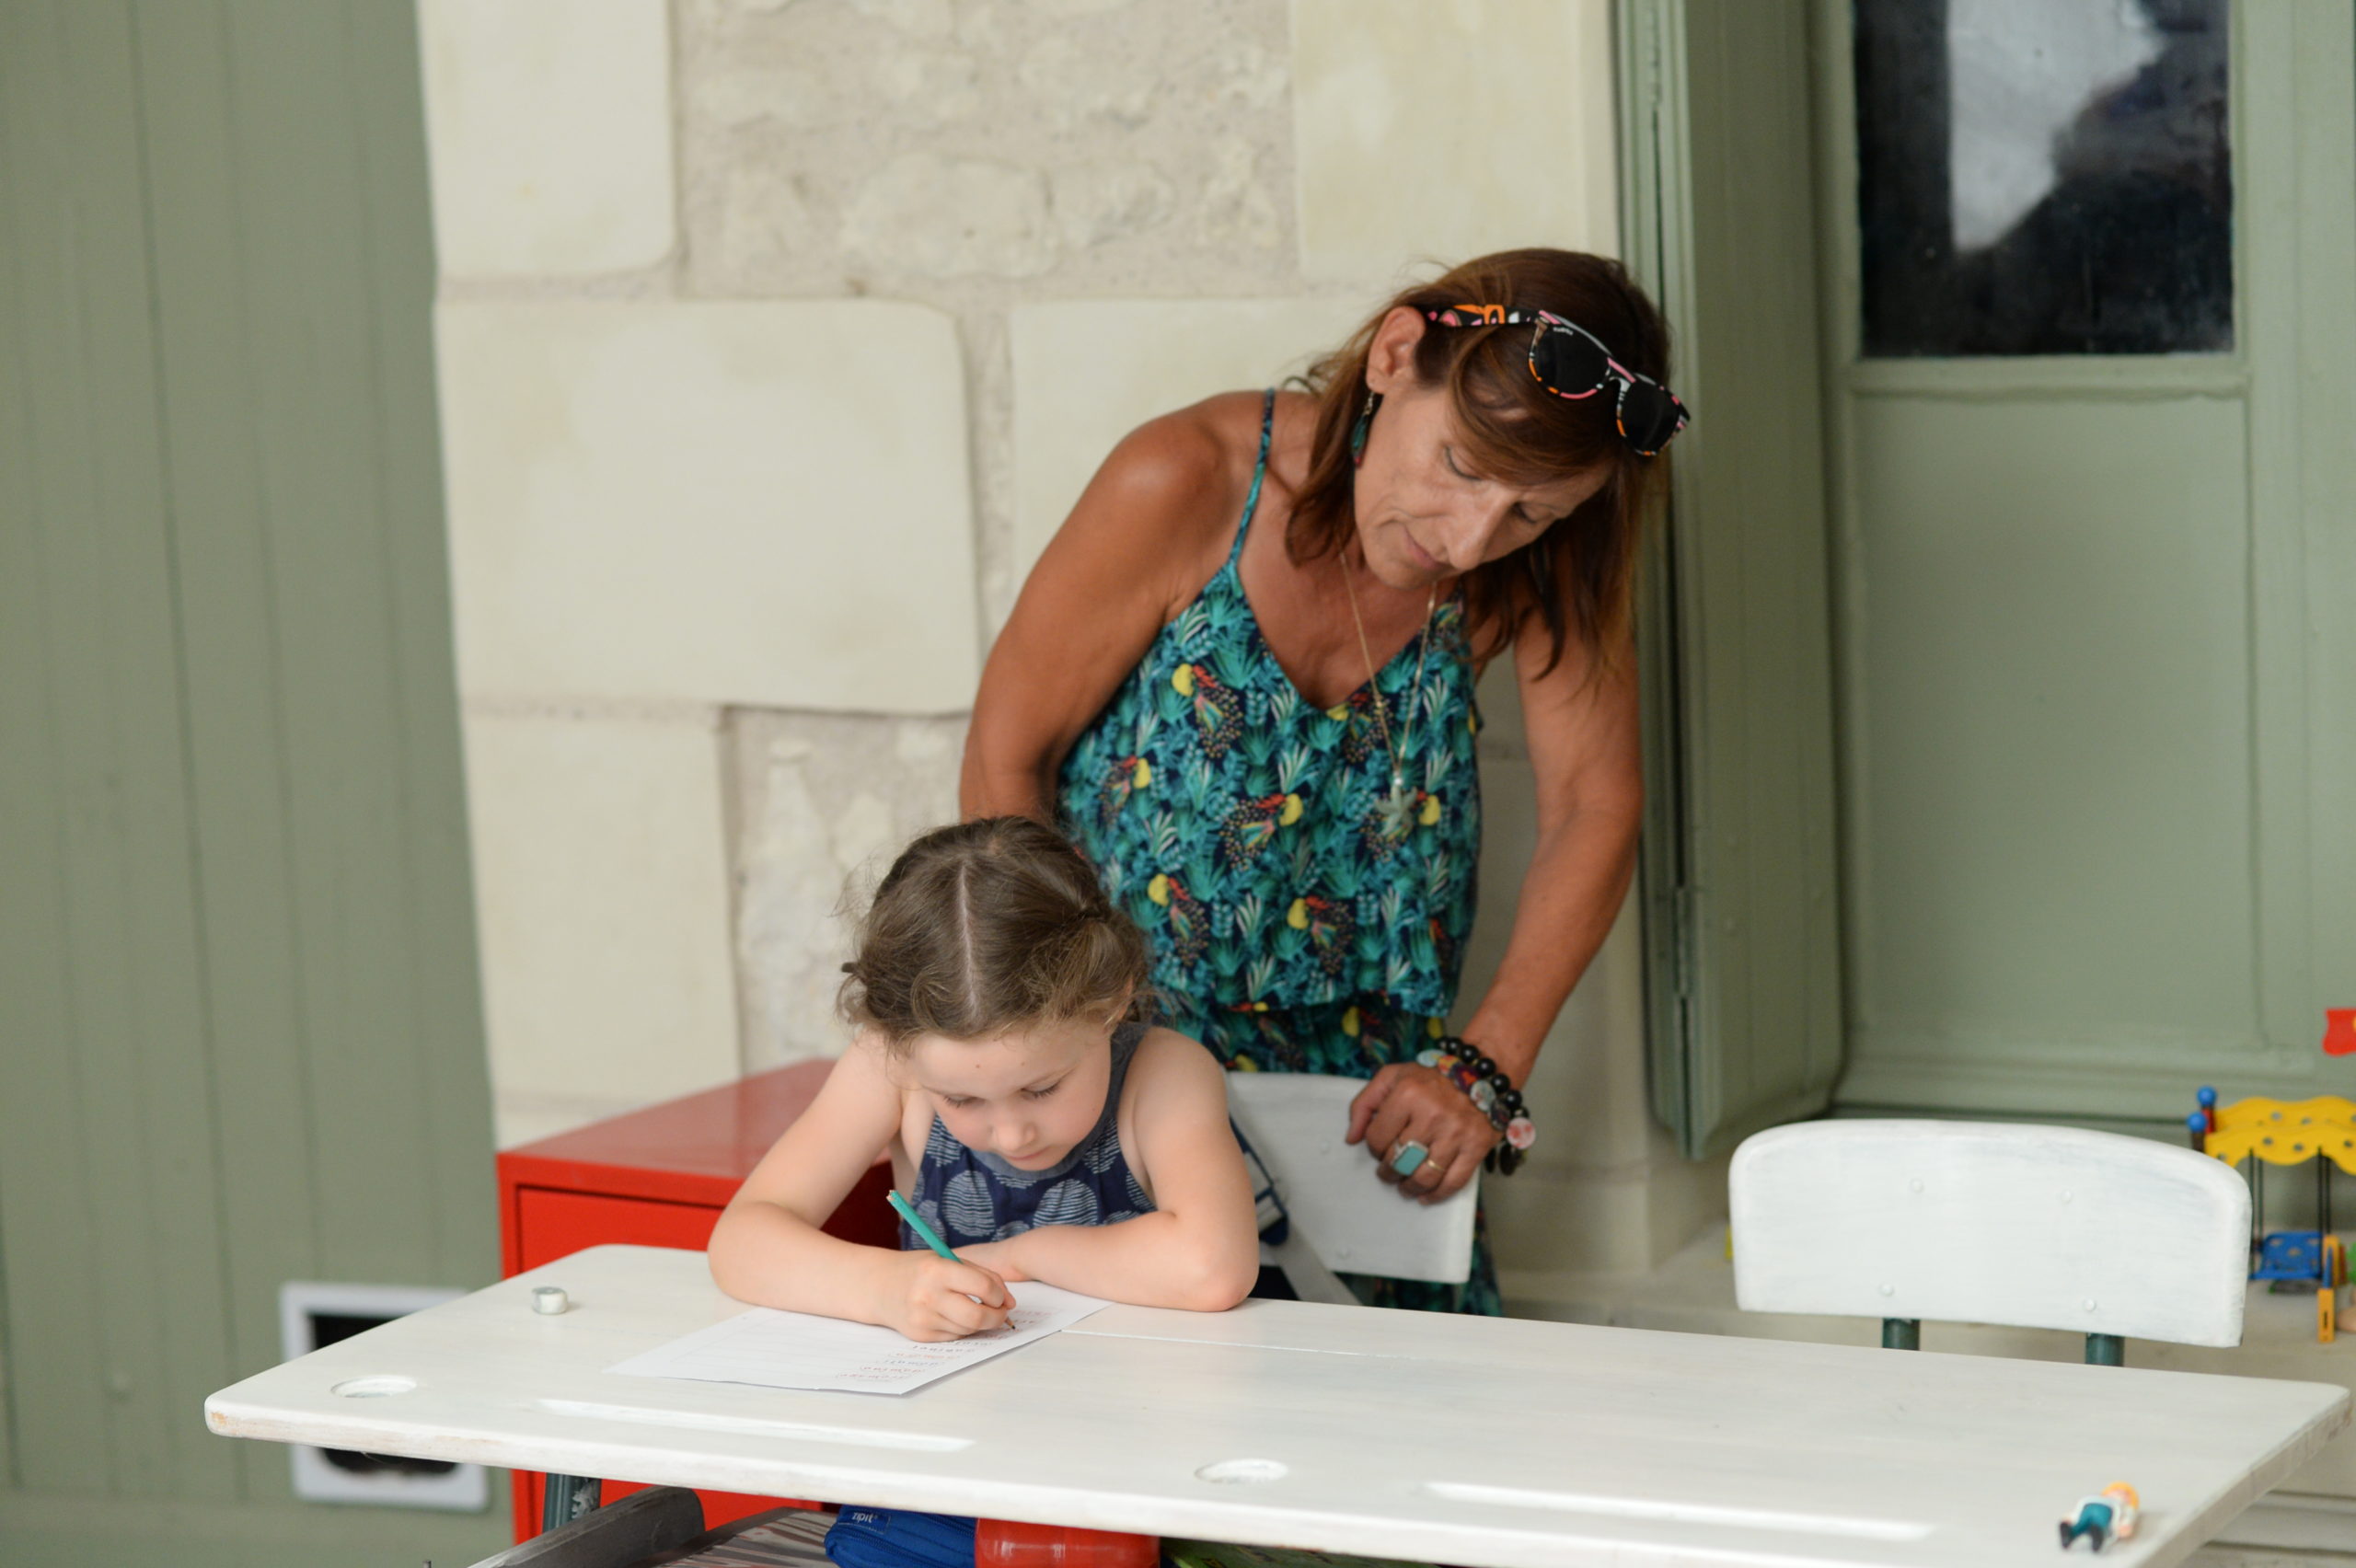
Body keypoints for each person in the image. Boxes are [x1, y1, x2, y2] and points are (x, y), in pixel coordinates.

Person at [961, 249, 1686, 1313]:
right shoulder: (1189, 482)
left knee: (1389, 1441)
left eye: (1533, 512)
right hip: (1124, 1085)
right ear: (1397, 355)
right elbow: (1002, 760)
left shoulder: (1535, 565)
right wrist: (1045, 1062)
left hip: (1378, 1119)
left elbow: (1594, 802)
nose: (1472, 540)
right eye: (1464, 469)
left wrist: (1483, 1066)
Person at [710, 816, 1262, 1342]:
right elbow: (739, 1244)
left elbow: (1212, 1268)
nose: (1013, 1133)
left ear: (1110, 1004)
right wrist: (881, 1288)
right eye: (961, 1099)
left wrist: (1019, 1256)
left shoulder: (1163, 1075)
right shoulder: (890, 1068)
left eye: (1042, 1089)